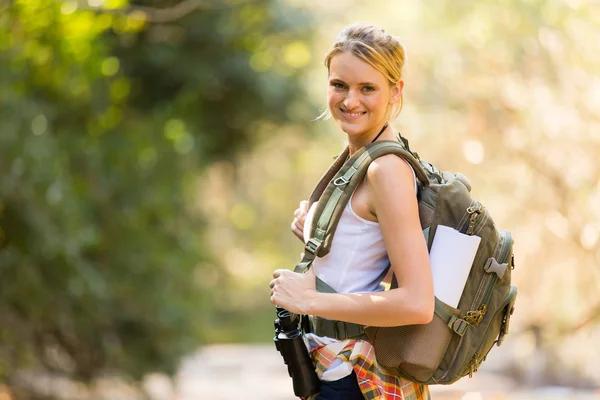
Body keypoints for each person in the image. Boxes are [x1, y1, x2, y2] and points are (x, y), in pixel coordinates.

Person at [269, 23, 434, 400]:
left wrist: (307, 299)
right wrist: (319, 232)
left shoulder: (386, 170)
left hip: (352, 380)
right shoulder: (361, 155)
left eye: (368, 88)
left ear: (396, 91)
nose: (350, 100)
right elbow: (376, 257)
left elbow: (417, 302)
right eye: (339, 85)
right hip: (333, 370)